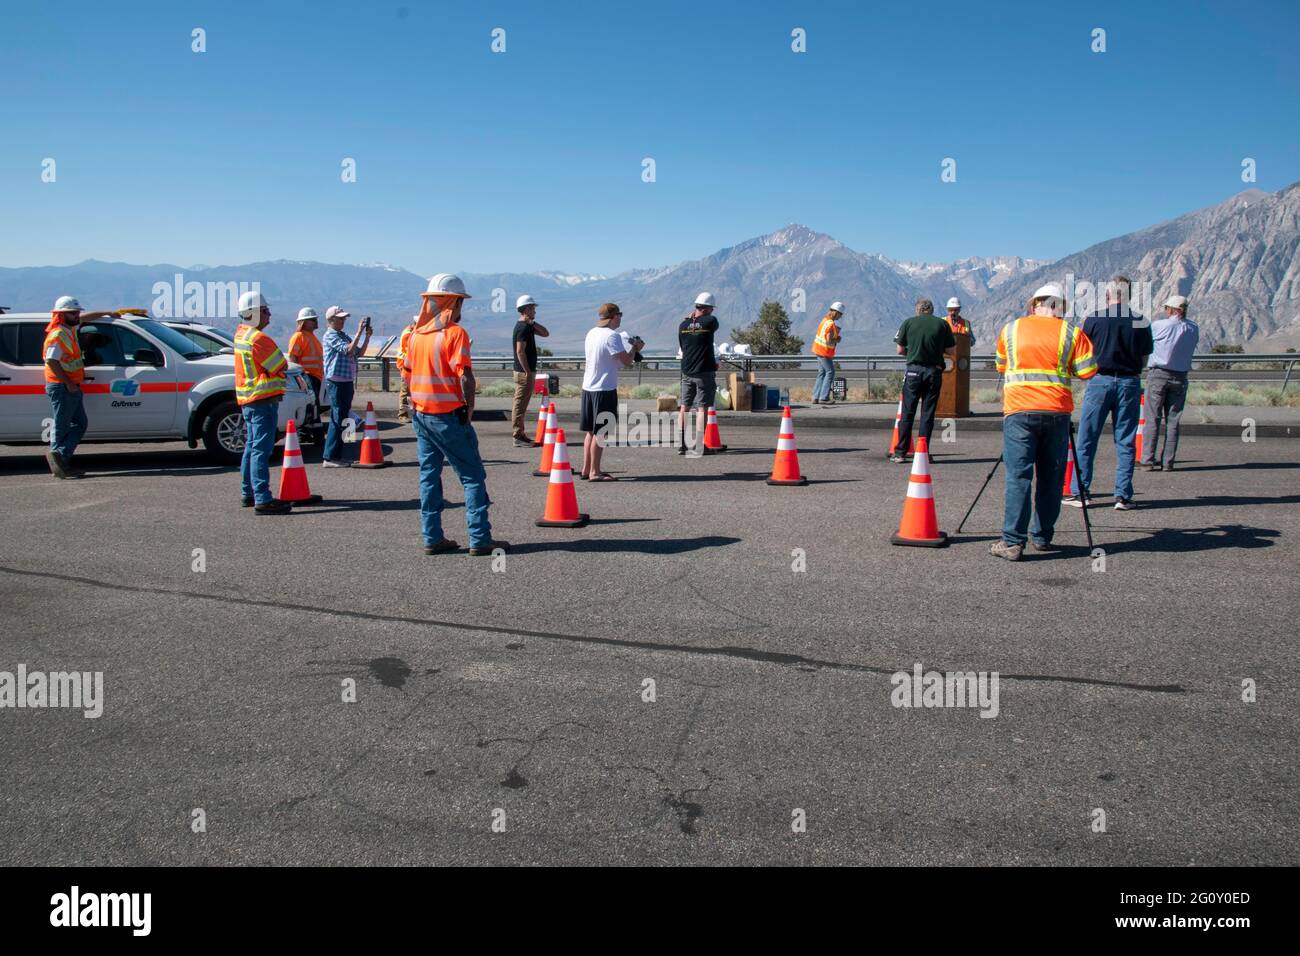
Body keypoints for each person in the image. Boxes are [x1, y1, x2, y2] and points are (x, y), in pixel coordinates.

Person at [990, 283, 1098, 561]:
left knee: (1019, 477)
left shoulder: (1011, 329)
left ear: (1034, 303)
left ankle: (1013, 542)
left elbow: (1001, 365)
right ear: (1060, 307)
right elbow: (1088, 371)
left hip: (1019, 412)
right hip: (1056, 414)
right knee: (1050, 479)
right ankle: (1043, 536)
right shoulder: (1071, 332)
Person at [405, 273, 507, 556]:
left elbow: (407, 375)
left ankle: (432, 537)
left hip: (421, 415)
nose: (461, 308)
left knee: (429, 476)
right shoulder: (454, 334)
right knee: (472, 476)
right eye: (460, 302)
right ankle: (480, 538)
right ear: (450, 302)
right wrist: (468, 407)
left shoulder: (415, 336)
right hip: (448, 416)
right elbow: (466, 376)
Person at [1067, 276, 1153, 511]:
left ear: (1107, 295)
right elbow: (1145, 357)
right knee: (1125, 440)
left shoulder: (1094, 319)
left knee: (1087, 438)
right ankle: (1122, 496)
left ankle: (1081, 492)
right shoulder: (1141, 321)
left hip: (1099, 381)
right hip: (1129, 382)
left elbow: (1083, 354)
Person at [42, 296, 116, 479]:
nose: (77, 315)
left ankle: (59, 458)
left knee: (79, 424)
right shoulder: (58, 334)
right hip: (62, 387)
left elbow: (86, 318)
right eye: (72, 313)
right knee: (62, 425)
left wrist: (106, 312)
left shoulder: (69, 329)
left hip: (70, 386)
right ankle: (59, 460)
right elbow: (51, 360)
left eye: (77, 312)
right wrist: (68, 383)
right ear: (61, 315)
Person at [233, 291, 292, 515]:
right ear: (253, 313)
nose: (269, 314)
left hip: (249, 400)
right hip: (262, 400)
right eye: (265, 311)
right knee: (261, 449)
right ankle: (263, 498)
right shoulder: (259, 339)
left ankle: (248, 492)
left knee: (251, 446)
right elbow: (280, 365)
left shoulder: (241, 334)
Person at [891, 298, 956, 462]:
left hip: (913, 371)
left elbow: (899, 349)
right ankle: (922, 452)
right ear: (932, 310)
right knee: (927, 413)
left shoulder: (908, 323)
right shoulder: (942, 324)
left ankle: (900, 452)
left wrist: (913, 352)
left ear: (918, 309)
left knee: (908, 411)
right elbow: (951, 349)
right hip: (933, 372)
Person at [582, 303, 642, 479]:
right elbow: (626, 361)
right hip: (604, 388)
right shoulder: (612, 336)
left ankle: (586, 469)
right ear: (614, 316)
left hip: (588, 387)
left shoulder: (591, 332)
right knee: (601, 432)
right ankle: (595, 471)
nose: (621, 318)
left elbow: (609, 359)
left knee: (590, 431)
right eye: (620, 314)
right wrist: (635, 348)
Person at [1141, 294, 1200, 471]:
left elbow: (1146, 344)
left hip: (1159, 374)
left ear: (1170, 309)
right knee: (1173, 420)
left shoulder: (1159, 326)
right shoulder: (1193, 328)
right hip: (1181, 376)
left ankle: (1148, 460)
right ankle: (1168, 462)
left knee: (1153, 418)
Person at [321, 304, 371, 467]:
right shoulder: (331, 336)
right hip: (336, 380)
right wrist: (358, 332)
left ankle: (339, 454)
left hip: (346, 379)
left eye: (343, 318)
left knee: (343, 417)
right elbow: (348, 351)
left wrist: (367, 337)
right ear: (331, 320)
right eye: (340, 318)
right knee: (338, 417)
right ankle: (330, 457)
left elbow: (358, 352)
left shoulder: (343, 335)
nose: (343, 321)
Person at [677, 292, 720, 453]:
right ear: (708, 308)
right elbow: (711, 324)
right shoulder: (710, 321)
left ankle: (682, 443)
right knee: (702, 409)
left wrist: (690, 320)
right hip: (704, 371)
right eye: (711, 309)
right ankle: (700, 444)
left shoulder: (682, 325)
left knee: (684, 407)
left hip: (686, 370)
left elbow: (682, 346)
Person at [511, 295, 550, 446]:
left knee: (522, 403)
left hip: (526, 371)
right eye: (532, 308)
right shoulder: (522, 328)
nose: (535, 310)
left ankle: (520, 434)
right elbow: (520, 351)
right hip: (523, 372)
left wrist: (532, 322)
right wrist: (527, 371)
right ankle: (518, 435)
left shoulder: (528, 326)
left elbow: (546, 333)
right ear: (526, 309)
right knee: (520, 404)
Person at [288, 307, 324, 414]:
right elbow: (293, 358)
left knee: (315, 407)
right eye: (312, 320)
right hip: (307, 378)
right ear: (304, 322)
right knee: (311, 407)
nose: (316, 322)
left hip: (316, 378)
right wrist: (300, 378)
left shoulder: (311, 336)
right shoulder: (299, 336)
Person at [811, 302, 844, 405]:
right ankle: (823, 398)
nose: (840, 317)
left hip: (819, 350)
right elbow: (829, 340)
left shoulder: (825, 320)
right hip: (824, 352)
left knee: (821, 373)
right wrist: (837, 339)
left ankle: (815, 397)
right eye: (840, 314)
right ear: (835, 312)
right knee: (830, 372)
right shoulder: (830, 324)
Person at [396, 315, 417, 424]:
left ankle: (412, 412)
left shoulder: (412, 332)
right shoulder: (408, 334)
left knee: (412, 390)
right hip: (406, 366)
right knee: (405, 390)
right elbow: (412, 351)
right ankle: (402, 413)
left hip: (411, 365)